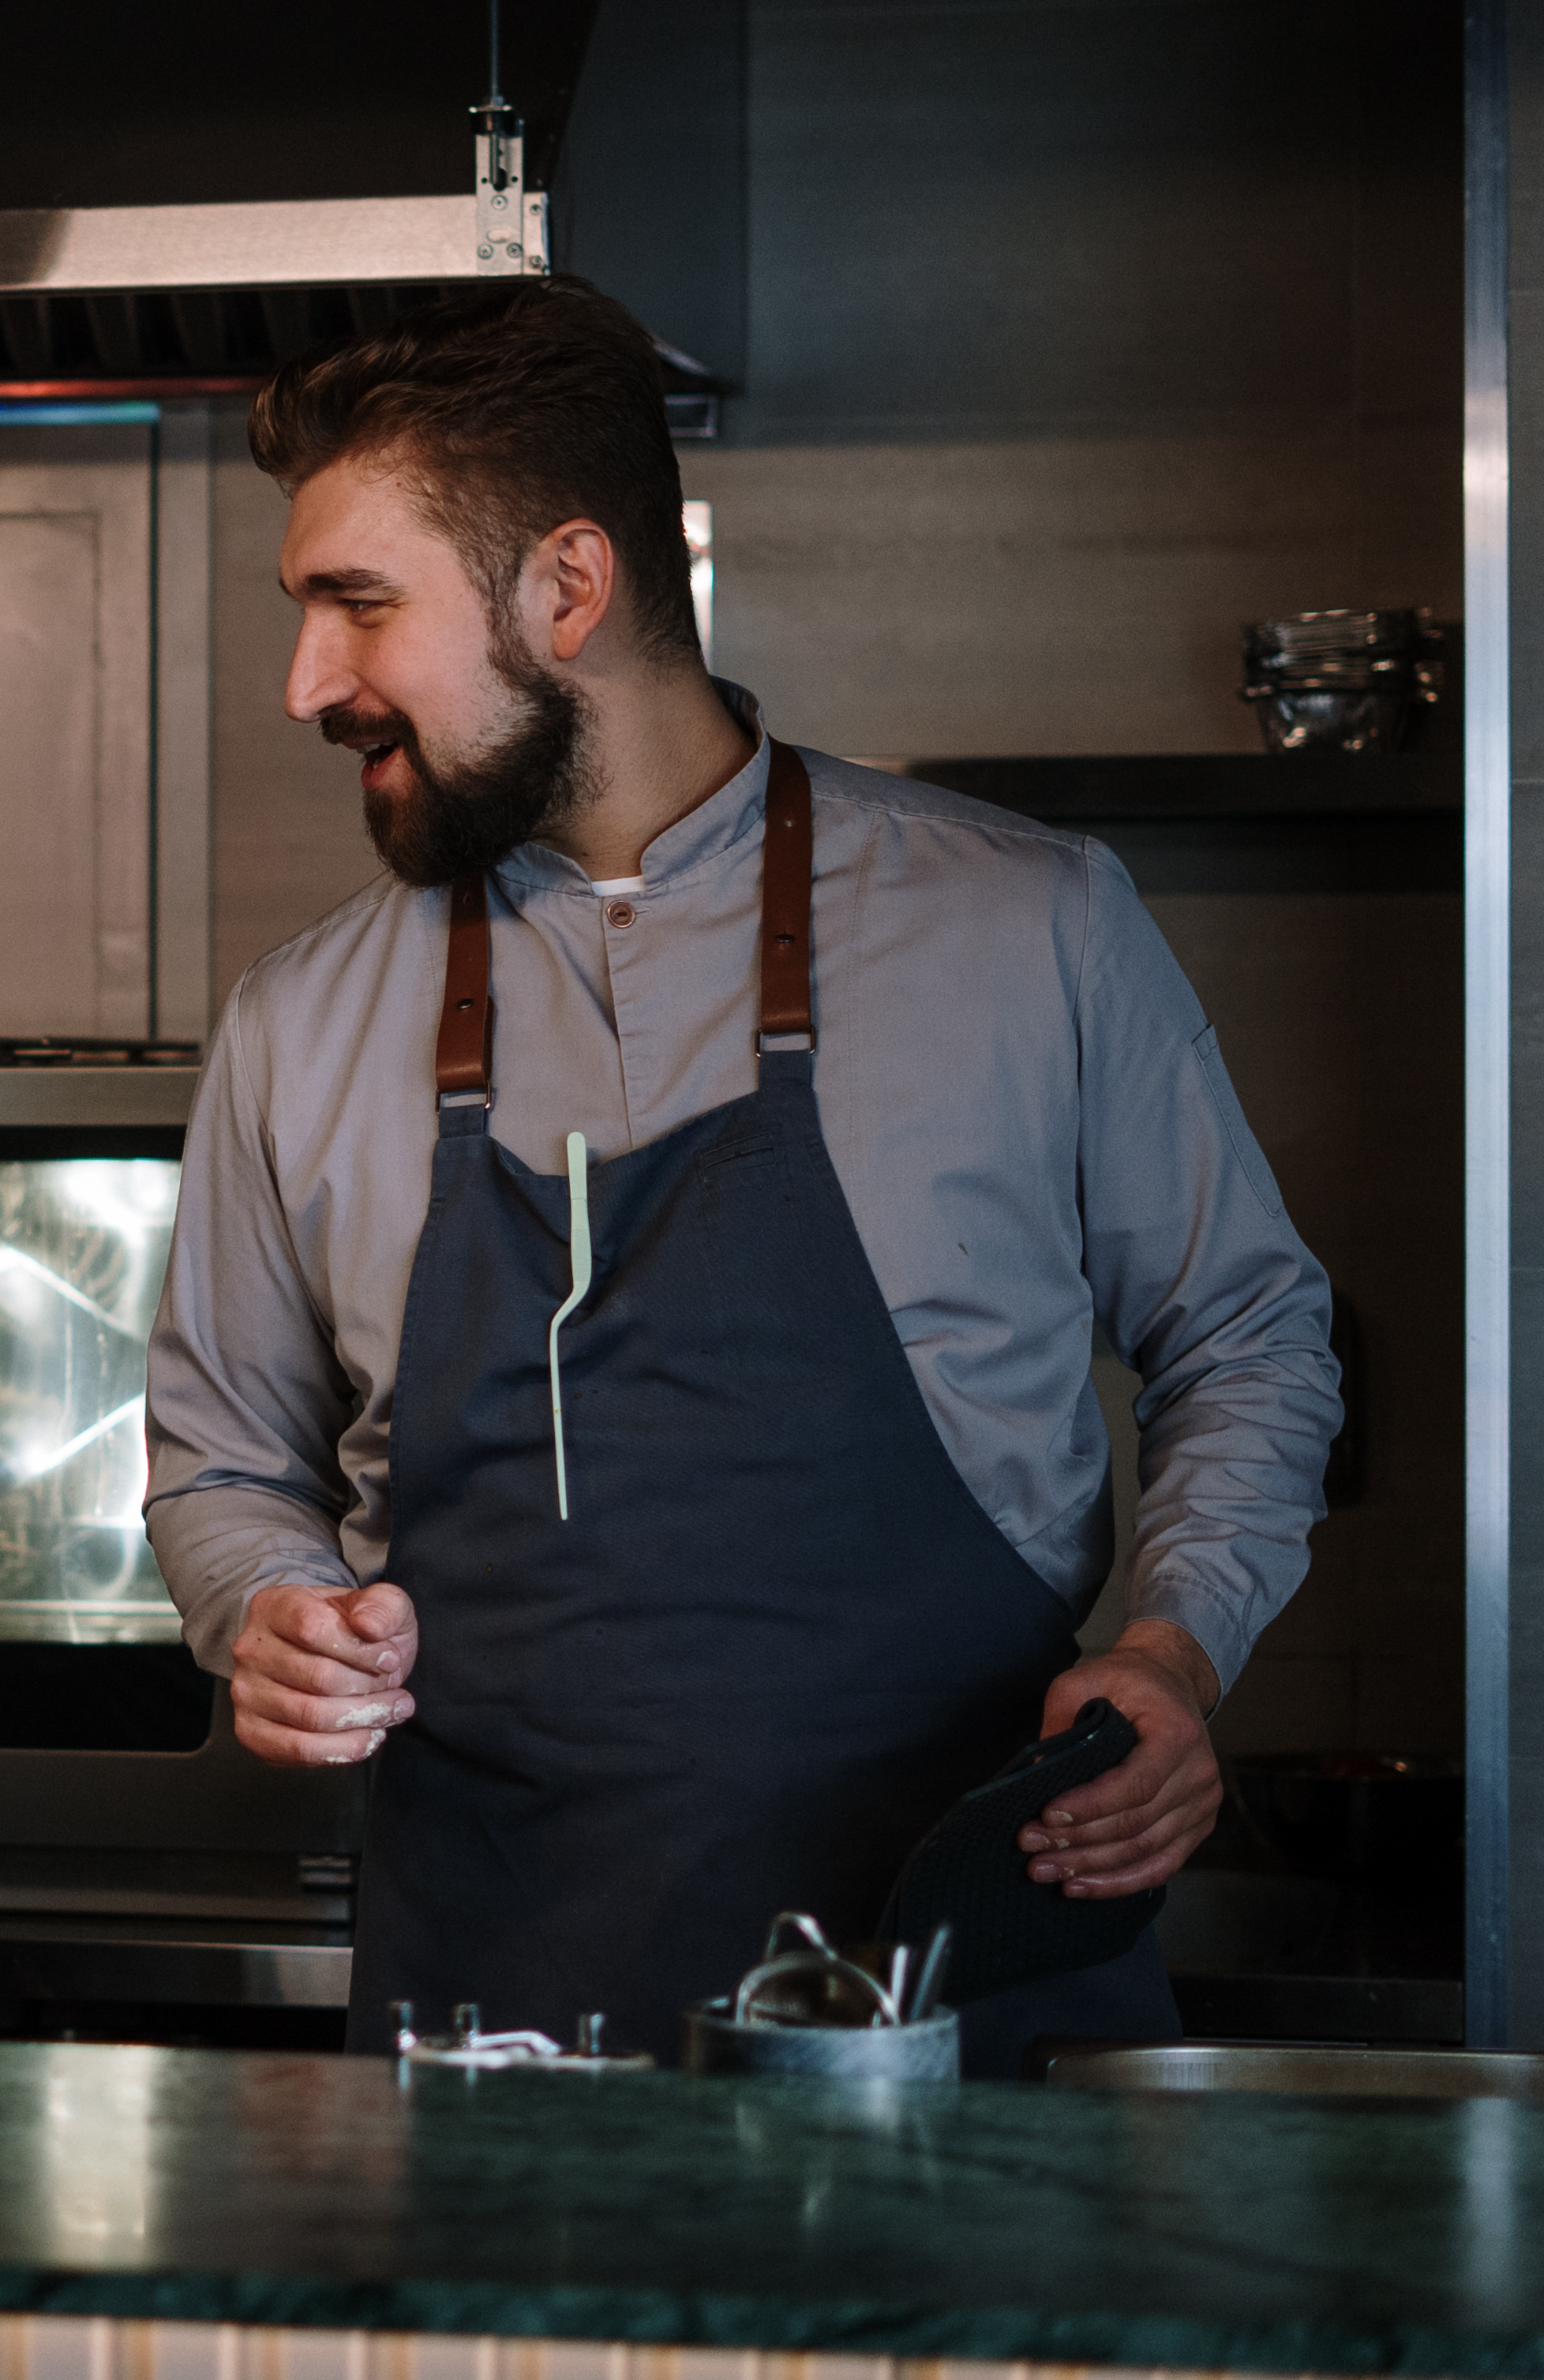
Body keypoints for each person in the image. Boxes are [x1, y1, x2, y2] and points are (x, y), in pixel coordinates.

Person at [144, 282, 1342, 2074]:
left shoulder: (1024, 925)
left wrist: (1174, 1651)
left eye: (355, 606)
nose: (305, 682)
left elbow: (1247, 1332)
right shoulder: (297, 1021)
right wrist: (268, 1614)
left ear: (565, 585)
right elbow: (225, 1459)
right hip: (498, 2034)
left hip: (956, 2021)